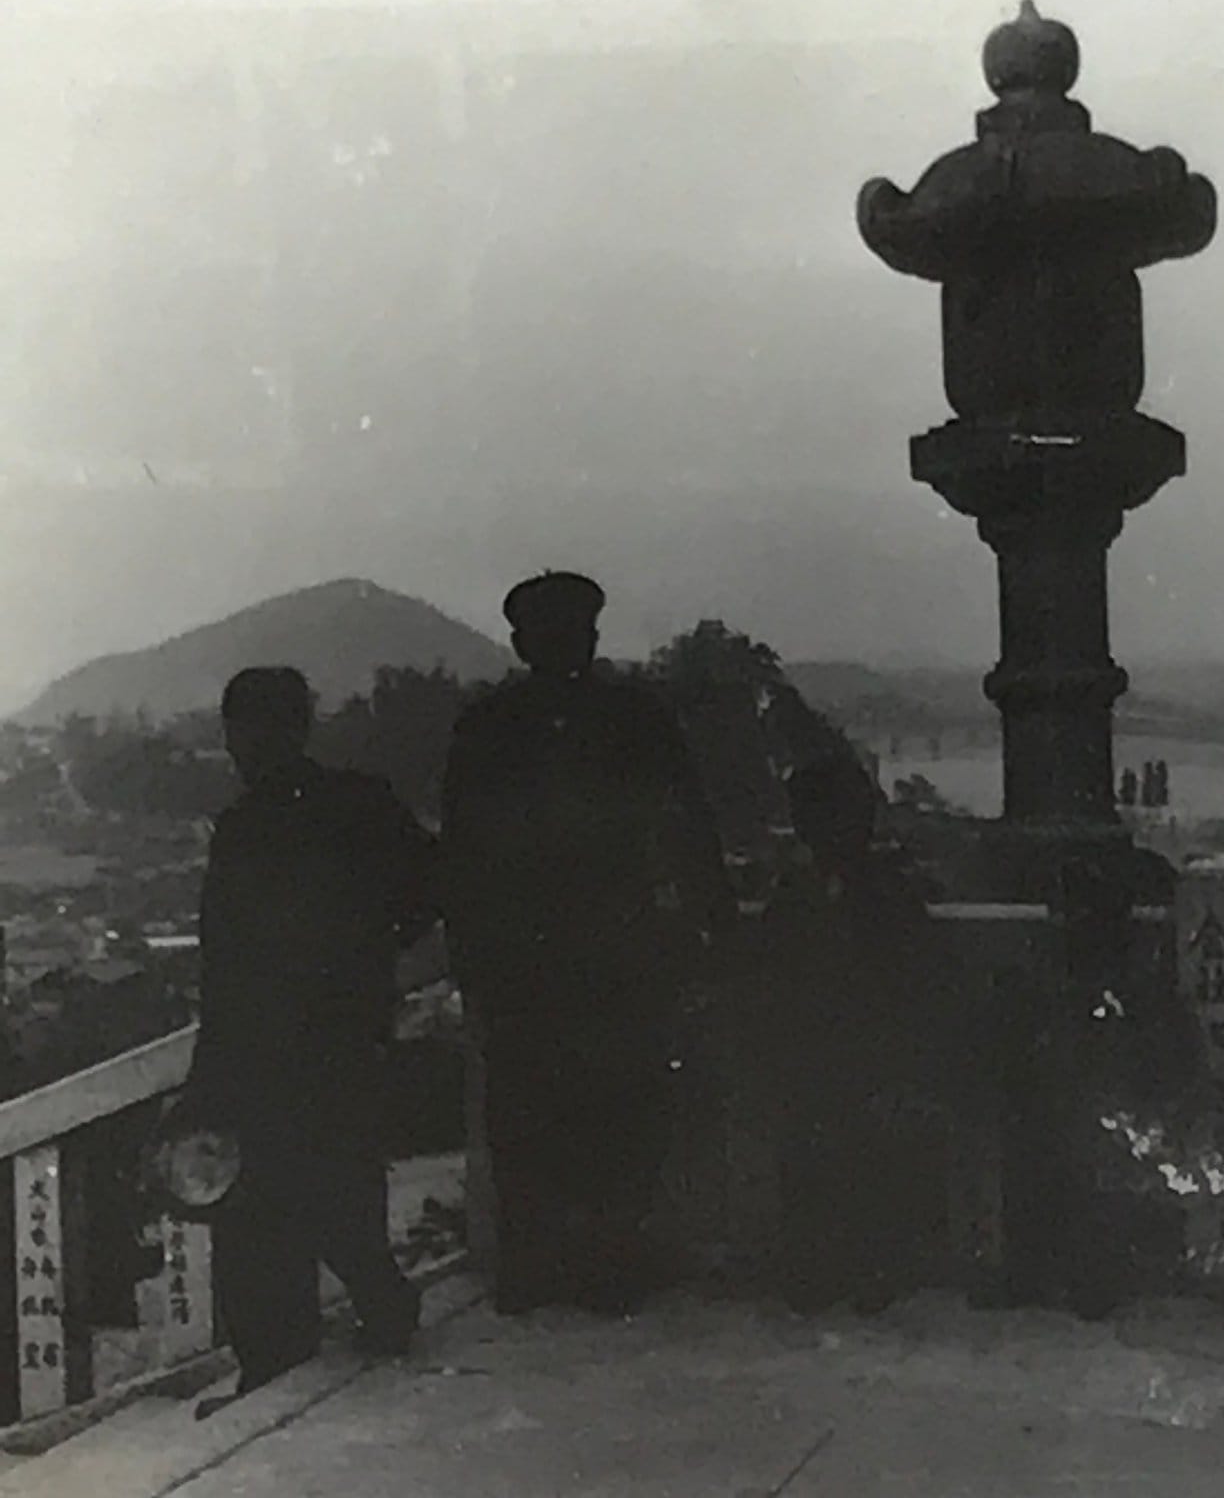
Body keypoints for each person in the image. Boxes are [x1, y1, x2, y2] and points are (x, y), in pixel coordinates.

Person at [439, 572, 733, 1316]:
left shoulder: (605, 718)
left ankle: (579, 1267)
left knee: (606, 1110)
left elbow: (688, 825)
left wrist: (709, 915)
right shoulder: (518, 725)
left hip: (592, 952)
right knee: (553, 1113)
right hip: (561, 954)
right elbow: (464, 853)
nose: (575, 642)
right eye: (560, 630)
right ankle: (548, 1268)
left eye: (578, 629)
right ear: (525, 641)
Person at [186, 667, 435, 1404]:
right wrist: (371, 959)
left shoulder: (261, 823)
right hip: (326, 1031)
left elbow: (223, 956)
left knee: (277, 1202)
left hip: (282, 1037)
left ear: (288, 729)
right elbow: (425, 887)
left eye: (255, 728)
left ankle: (288, 1355)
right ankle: (361, 1315)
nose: (247, 745)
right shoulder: (350, 804)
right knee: (327, 1185)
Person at [757, 750, 955, 1314]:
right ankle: (830, 1273)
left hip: (859, 1057)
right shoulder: (811, 897)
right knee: (826, 1166)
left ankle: (853, 1273)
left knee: (851, 1166)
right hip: (829, 1058)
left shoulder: (870, 895)